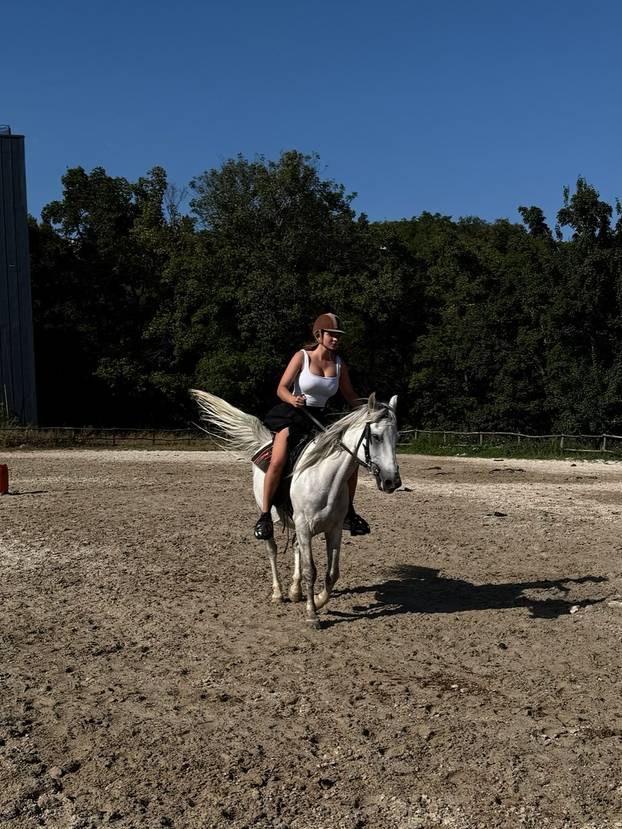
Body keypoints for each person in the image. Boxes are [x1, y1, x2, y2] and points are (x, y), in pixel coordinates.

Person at [254, 312, 370, 540]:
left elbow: (350, 395)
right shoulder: (302, 357)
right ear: (319, 335)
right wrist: (292, 399)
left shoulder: (339, 365)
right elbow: (281, 388)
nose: (336, 339)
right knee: (278, 460)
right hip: (294, 413)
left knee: (351, 462)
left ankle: (349, 513)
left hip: (320, 419)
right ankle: (265, 515)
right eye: (332, 335)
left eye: (338, 336)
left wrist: (368, 412)